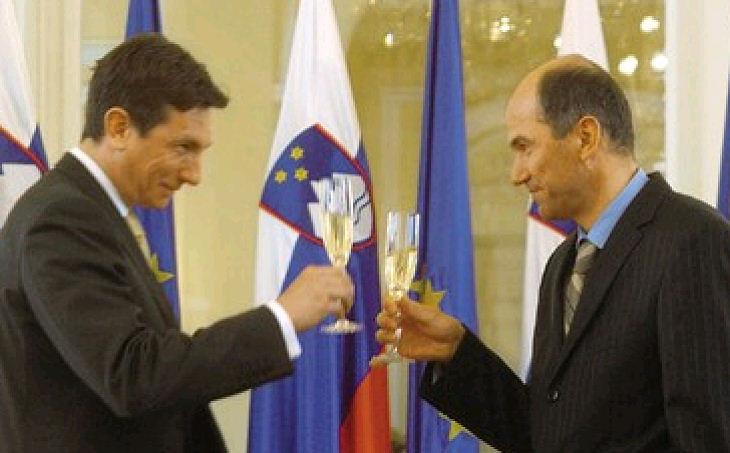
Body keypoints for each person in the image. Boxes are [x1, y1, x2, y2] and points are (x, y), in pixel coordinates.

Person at [0, 34, 353, 452]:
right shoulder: (62, 218)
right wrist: (281, 318)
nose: (194, 174)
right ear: (118, 128)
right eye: (183, 148)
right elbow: (132, 374)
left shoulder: (94, 212)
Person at [375, 55, 730, 452]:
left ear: (585, 137)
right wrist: (456, 353)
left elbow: (707, 437)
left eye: (525, 147)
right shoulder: (563, 263)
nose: (516, 174)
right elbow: (547, 434)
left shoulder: (692, 240)